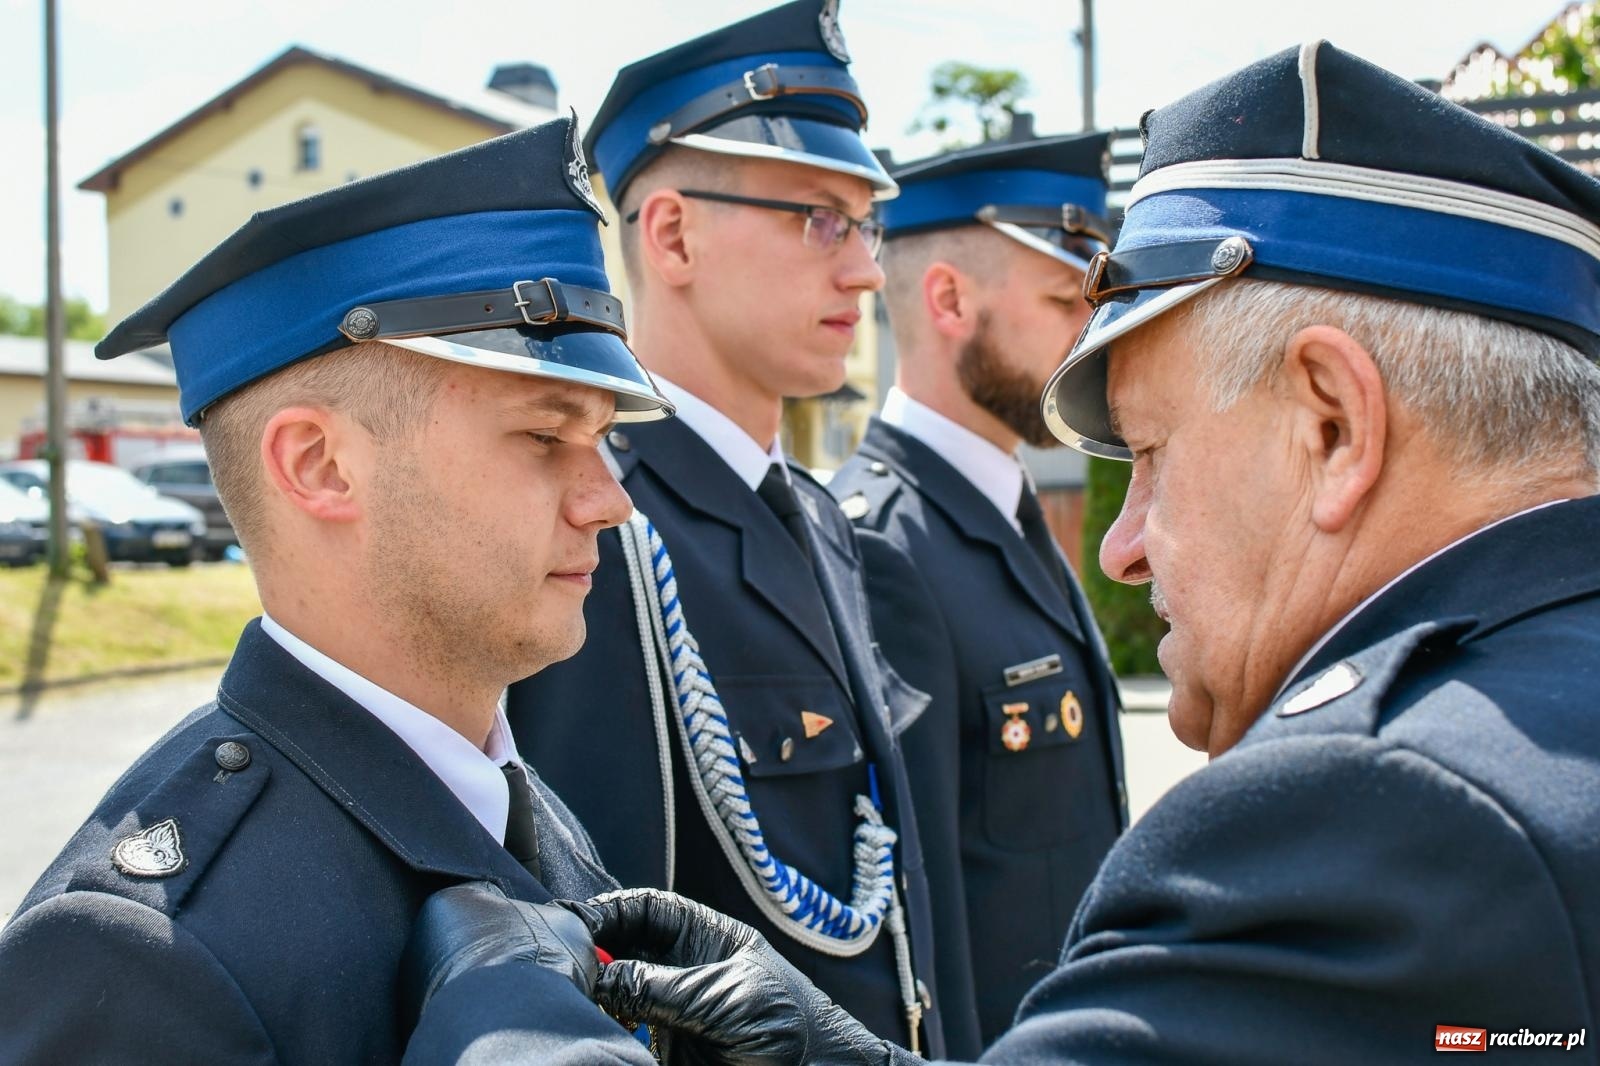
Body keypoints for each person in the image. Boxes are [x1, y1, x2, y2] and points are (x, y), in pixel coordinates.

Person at [408, 40, 1600, 1063]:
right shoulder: (641, 537)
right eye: (818, 219)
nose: (1122, 548)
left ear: (1333, 425)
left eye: (1154, 451)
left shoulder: (1378, 799)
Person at [0, 117, 673, 1064]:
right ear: (318, 465)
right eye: (543, 436)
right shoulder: (141, 956)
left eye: (605, 439)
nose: (612, 502)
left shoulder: (507, 796)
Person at [505, 0, 948, 1053]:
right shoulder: (599, 536)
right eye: (818, 219)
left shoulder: (819, 520)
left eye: (868, 224)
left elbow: (898, 918)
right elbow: (596, 954)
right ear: (671, 234)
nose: (864, 270)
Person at [829, 133, 1128, 1051]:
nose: (1091, 337)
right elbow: (922, 919)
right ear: (949, 299)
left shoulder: (1006, 504)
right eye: (1058, 302)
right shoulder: (883, 544)